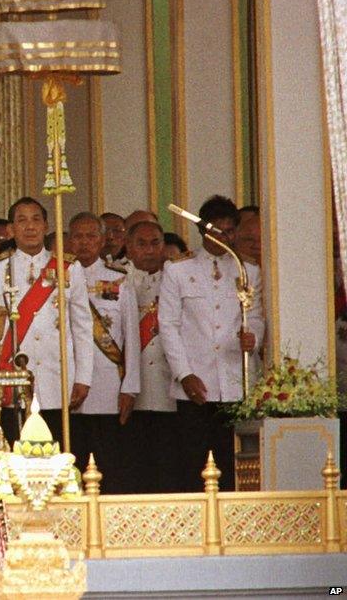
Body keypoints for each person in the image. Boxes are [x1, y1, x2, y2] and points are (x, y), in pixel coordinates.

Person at [159, 195, 265, 491]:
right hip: (195, 384)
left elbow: (256, 317)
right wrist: (185, 374)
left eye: (230, 231)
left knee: (236, 462)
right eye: (218, 230)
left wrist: (252, 337)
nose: (224, 237)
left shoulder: (249, 272)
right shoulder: (178, 270)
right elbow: (168, 325)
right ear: (204, 230)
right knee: (196, 463)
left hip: (236, 380)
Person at [0, 197, 95, 447]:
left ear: (46, 225)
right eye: (22, 220)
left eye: (36, 220)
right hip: (11, 376)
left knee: (57, 452)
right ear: (10, 230)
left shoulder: (68, 268)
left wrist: (83, 376)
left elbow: (82, 327)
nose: (30, 227)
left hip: (57, 377)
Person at [68, 212, 140, 492]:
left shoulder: (119, 280)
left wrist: (130, 387)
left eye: (91, 236)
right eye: (77, 236)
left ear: (102, 241)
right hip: (70, 381)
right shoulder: (56, 277)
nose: (84, 243)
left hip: (108, 384)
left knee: (108, 462)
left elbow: (131, 335)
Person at [123, 220, 179, 492]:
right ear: (128, 248)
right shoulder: (118, 278)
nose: (149, 250)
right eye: (141, 244)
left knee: (169, 467)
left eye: (155, 243)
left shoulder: (177, 276)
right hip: (131, 390)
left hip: (168, 386)